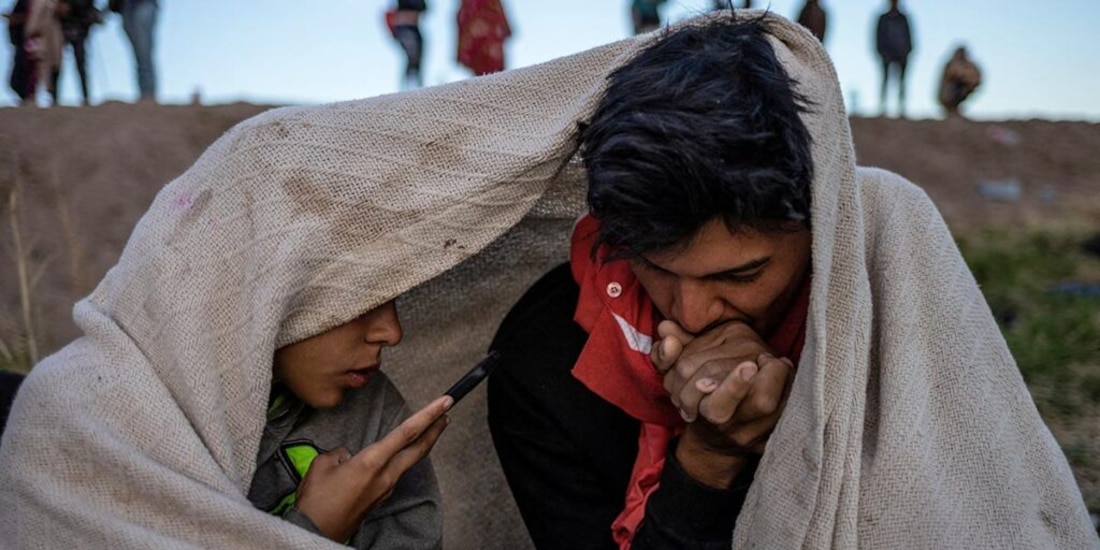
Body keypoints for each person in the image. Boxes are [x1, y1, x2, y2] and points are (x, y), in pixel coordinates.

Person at [486, 11, 1096, 550]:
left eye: (742, 273)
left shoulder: (887, 294)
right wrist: (709, 462)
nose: (692, 313)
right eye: (656, 267)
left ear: (820, 226)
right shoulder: (544, 358)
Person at [0, 98, 477, 546]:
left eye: (393, 297)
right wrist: (314, 531)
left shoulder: (373, 418)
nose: (391, 333)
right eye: (358, 297)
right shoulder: (79, 417)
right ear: (264, 278)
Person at [56, 0, 101, 105]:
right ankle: (54, 97)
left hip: (80, 24)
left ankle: (85, 96)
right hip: (63, 24)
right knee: (57, 61)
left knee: (80, 61)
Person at [875, 0, 913, 117]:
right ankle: (883, 107)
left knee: (902, 82)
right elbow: (878, 36)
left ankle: (901, 108)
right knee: (885, 80)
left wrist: (907, 51)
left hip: (901, 54)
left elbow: (909, 36)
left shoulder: (903, 19)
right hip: (887, 54)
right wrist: (881, 52)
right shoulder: (883, 19)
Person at [456, 0, 511, 77]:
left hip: (490, 45)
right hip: (477, 49)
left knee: (495, 74)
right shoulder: (467, 6)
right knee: (482, 74)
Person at [24, 0, 63, 105]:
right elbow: (34, 20)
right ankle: (31, 96)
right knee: (37, 66)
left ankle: (53, 96)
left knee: (55, 65)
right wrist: (32, 31)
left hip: (52, 35)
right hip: (40, 37)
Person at [117, 0, 157, 100]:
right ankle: (145, 95)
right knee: (139, 57)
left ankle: (148, 96)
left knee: (143, 55)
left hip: (144, 5)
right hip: (127, 10)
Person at [4, 0, 36, 104]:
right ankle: (25, 98)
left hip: (30, 42)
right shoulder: (22, 2)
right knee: (16, 78)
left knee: (27, 72)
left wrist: (17, 19)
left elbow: (33, 18)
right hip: (20, 42)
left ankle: (28, 97)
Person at [390, 0, 427, 89]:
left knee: (418, 59)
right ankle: (404, 89)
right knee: (412, 55)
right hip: (404, 28)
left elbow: (424, 9)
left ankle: (419, 87)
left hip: (415, 28)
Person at [938, 45, 981, 118]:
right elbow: (952, 74)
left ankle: (954, 108)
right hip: (948, 92)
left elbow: (976, 77)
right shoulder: (951, 64)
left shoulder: (968, 65)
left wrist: (967, 81)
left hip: (961, 89)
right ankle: (951, 108)